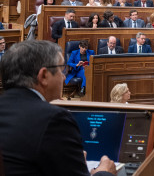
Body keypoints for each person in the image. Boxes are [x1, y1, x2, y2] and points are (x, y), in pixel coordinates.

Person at [0, 40, 117, 176]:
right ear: (44, 76)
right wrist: (103, 173)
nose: (63, 77)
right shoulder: (54, 120)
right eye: (61, 70)